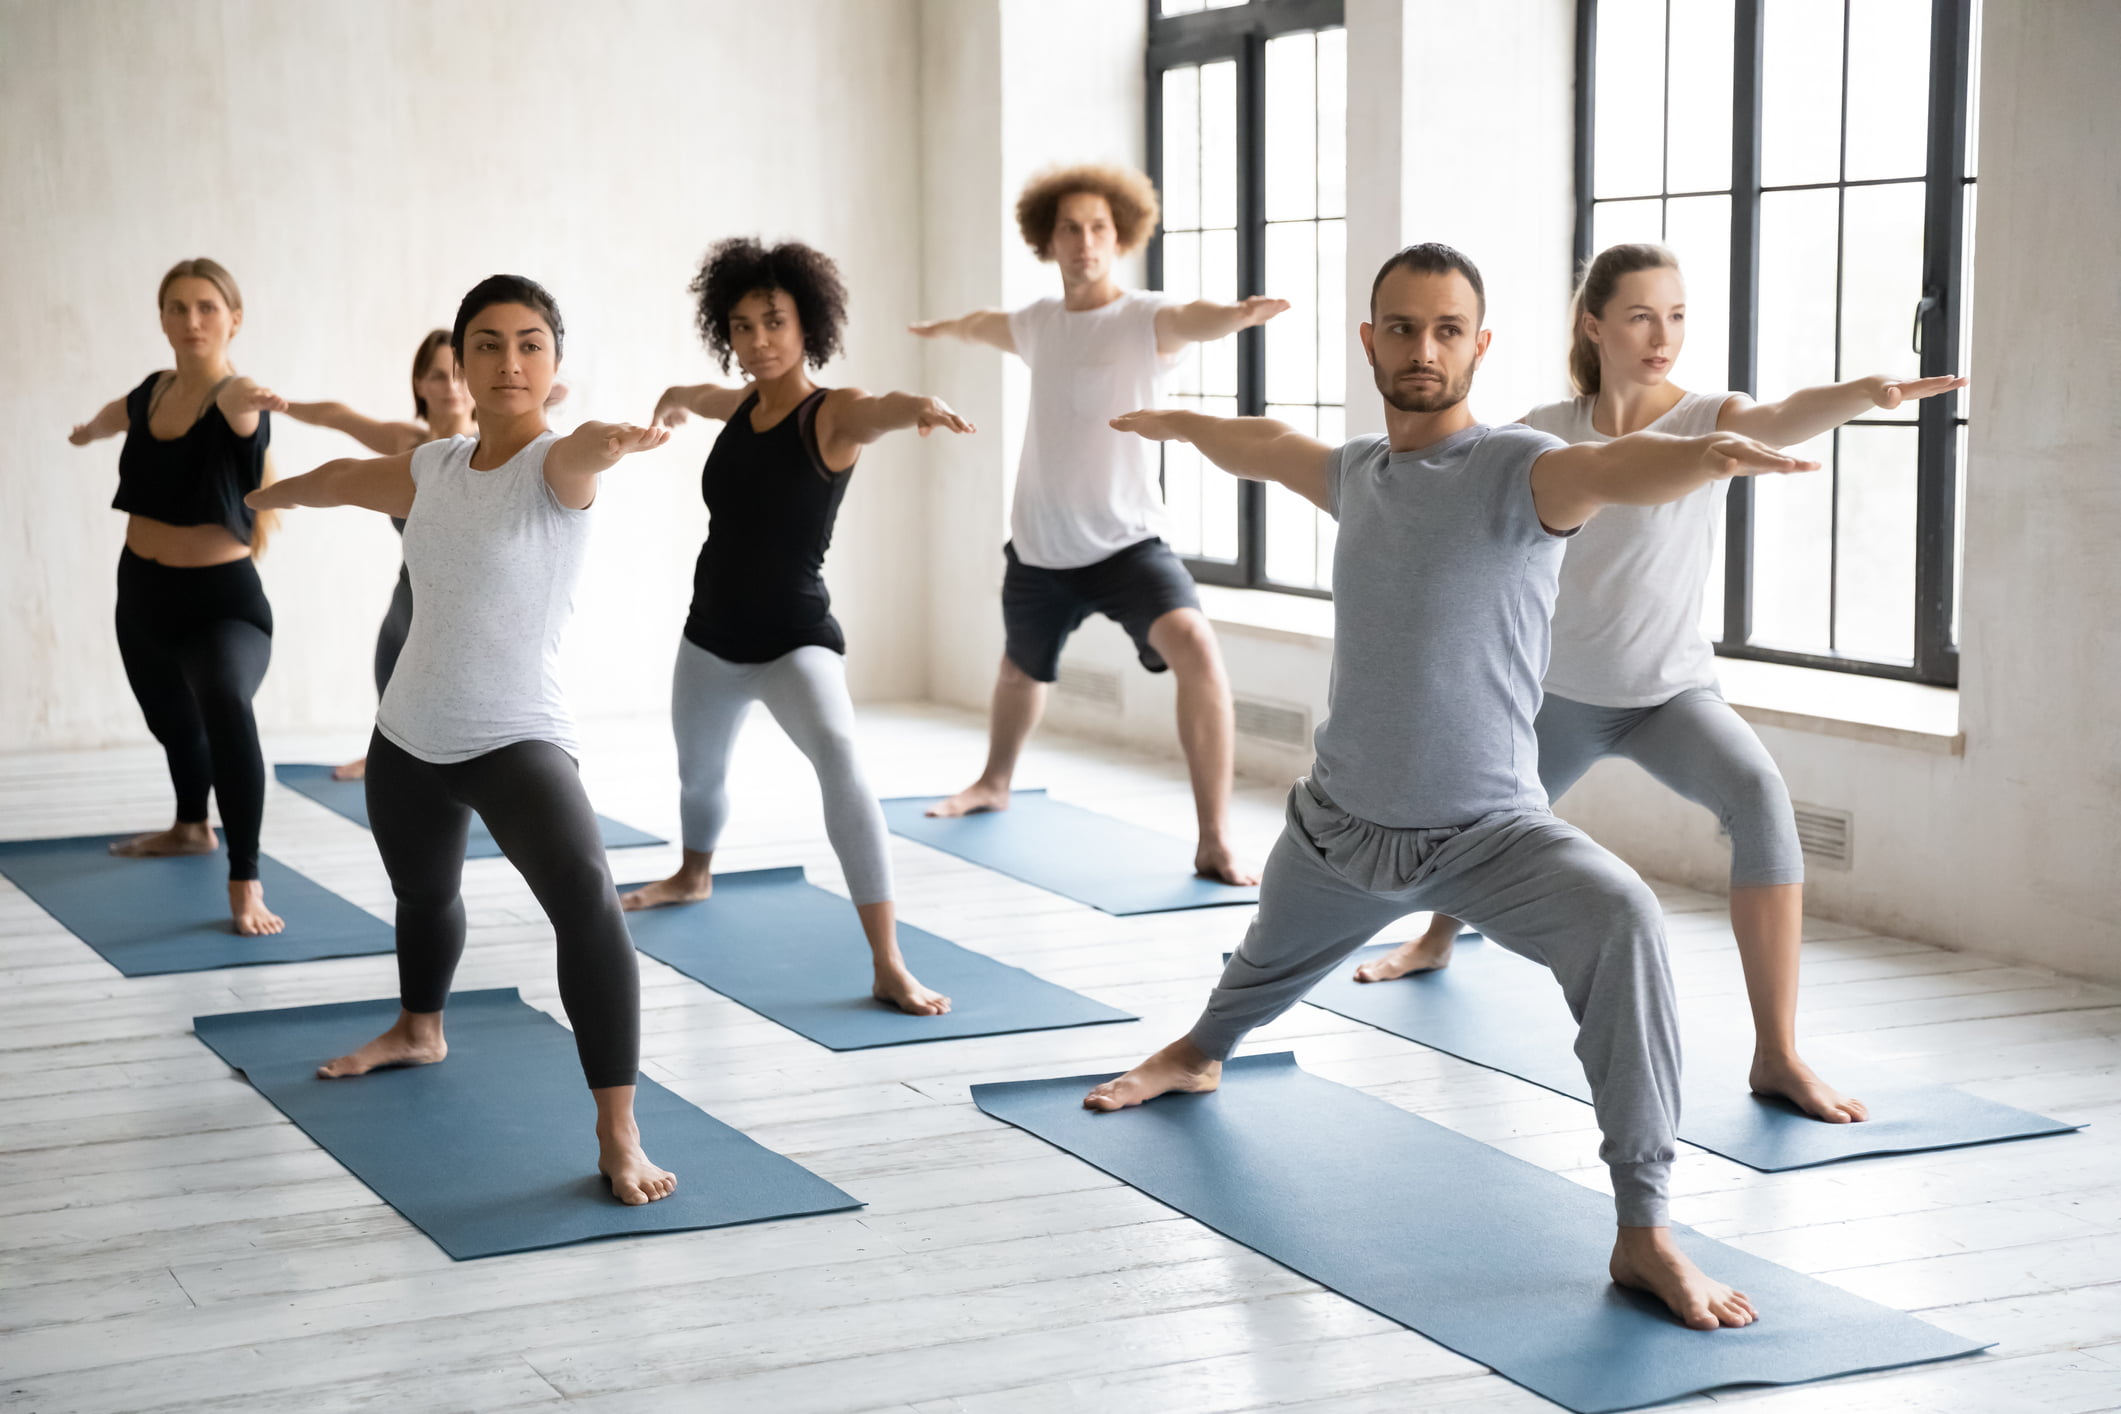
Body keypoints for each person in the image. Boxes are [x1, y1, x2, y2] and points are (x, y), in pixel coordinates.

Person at [1085, 243, 1824, 1330]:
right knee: (1253, 977)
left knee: (1623, 916)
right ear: (1369, 340)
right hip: (1339, 832)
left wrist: (1705, 454)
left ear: (1480, 345)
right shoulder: (1358, 475)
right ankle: (1195, 1057)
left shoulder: (1522, 468)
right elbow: (1269, 447)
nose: (1422, 349)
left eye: (1445, 330)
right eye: (1401, 327)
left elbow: (1617, 470)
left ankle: (1645, 1229)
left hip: (1489, 836)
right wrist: (1181, 425)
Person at [1356, 242, 1966, 1125]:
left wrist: (1865, 394)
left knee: (1759, 800)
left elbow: (1783, 415)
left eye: (1676, 316)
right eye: (1640, 316)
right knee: (1478, 828)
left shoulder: (1707, 417)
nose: (1661, 337)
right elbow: (1453, 484)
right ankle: (1435, 936)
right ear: (1593, 326)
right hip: (1559, 696)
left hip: (1669, 696)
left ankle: (1777, 1053)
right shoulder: (1544, 429)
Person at [247, 274, 678, 1204]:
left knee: (587, 903)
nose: (508, 361)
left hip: (515, 737)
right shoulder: (433, 466)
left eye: (529, 344)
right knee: (423, 896)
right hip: (406, 734)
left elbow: (587, 449)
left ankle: (618, 1130)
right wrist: (265, 493)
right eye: (487, 344)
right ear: (461, 361)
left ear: (554, 364)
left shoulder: (556, 467)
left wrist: (615, 441)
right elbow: (339, 481)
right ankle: (419, 1029)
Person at [618, 238, 974, 1017]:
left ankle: (887, 961)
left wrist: (917, 407)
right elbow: (693, 395)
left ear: (807, 323)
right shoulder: (739, 405)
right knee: (698, 776)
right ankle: (692, 874)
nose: (758, 341)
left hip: (793, 640)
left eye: (773, 322)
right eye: (741, 327)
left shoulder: (832, 413)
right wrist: (670, 402)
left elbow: (878, 409)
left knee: (841, 757)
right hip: (709, 636)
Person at [911, 163, 1289, 886]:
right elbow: (982, 325)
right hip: (1040, 543)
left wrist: (1236, 316)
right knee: (1019, 670)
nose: (1084, 242)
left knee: (1196, 648)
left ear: (1120, 238)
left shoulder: (1143, 318)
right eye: (1069, 229)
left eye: (1098, 229)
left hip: (1126, 544)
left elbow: (1194, 317)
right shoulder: (1037, 323)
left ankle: (1214, 839)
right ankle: (993, 781)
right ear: (1047, 240)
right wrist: (943, 328)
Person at [68, 257, 289, 937]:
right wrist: (87, 432)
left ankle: (245, 877)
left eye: (206, 307)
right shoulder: (152, 392)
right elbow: (116, 415)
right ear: (162, 319)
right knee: (171, 723)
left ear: (234, 320)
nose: (192, 320)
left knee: (224, 703)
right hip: (141, 591)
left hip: (222, 605)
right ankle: (191, 826)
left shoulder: (236, 397)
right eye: (177, 307)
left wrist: (253, 398)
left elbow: (241, 403)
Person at [281, 329, 475, 781]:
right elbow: (337, 416)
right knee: (390, 696)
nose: (451, 386)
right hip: (407, 599)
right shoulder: (406, 443)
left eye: (461, 375)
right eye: (438, 376)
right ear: (419, 384)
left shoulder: (492, 451)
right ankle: (382, 760)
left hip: (463, 610)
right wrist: (279, 405)